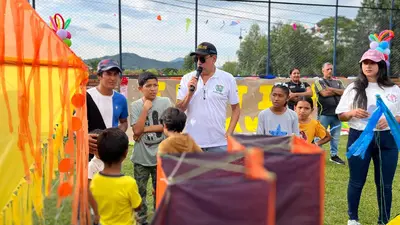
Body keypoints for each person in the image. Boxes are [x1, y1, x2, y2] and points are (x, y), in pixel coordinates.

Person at [336, 49, 400, 225]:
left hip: (387, 140)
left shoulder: (393, 88)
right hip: (360, 138)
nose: (368, 66)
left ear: (380, 66)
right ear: (361, 66)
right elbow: (340, 115)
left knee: (385, 184)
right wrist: (352, 112)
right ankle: (353, 219)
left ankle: (384, 220)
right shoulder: (353, 88)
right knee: (356, 181)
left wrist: (391, 120)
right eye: (365, 63)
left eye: (372, 63)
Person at [176, 42, 240, 152]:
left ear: (213, 59)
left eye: (202, 59)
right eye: (196, 59)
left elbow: (236, 108)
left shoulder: (228, 79)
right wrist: (190, 94)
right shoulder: (187, 78)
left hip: (218, 144)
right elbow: (179, 109)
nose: (199, 63)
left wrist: (230, 132)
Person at [130, 72, 172, 225]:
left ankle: (159, 218)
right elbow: (135, 131)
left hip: (161, 157)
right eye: (148, 86)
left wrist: (144, 130)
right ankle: (142, 220)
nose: (153, 89)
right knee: (140, 192)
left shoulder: (165, 102)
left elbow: (169, 126)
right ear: (140, 88)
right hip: (141, 158)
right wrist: (145, 109)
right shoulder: (136, 105)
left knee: (160, 191)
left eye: (155, 85)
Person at [90, 128, 142, 225]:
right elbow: (137, 206)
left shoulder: (95, 179)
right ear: (126, 153)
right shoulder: (129, 183)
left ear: (99, 153)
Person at [87, 59, 128, 161]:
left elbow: (124, 122)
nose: (113, 78)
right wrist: (84, 137)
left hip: (112, 150)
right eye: (108, 74)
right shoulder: (86, 96)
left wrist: (115, 136)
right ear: (99, 76)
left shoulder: (121, 99)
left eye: (115, 74)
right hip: (91, 149)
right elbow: (75, 124)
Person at [314, 62, 346, 165]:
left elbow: (345, 92)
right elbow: (324, 93)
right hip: (324, 113)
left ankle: (334, 155)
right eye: (327, 69)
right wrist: (338, 91)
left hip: (337, 114)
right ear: (322, 70)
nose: (330, 71)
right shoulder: (319, 81)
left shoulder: (338, 81)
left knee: (335, 136)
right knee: (320, 135)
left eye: (331, 69)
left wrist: (331, 89)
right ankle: (316, 155)